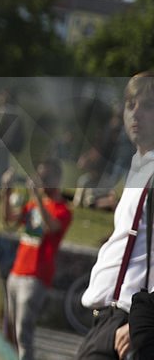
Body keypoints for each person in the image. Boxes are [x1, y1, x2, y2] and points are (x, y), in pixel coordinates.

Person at [77, 71, 154, 360]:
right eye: (130, 104)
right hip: (107, 320)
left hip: (128, 322)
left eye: (148, 105)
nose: (136, 113)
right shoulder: (139, 166)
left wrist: (143, 321)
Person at [2, 159, 72, 360]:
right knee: (9, 334)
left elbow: (52, 227)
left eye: (45, 177)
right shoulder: (33, 203)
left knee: (23, 333)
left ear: (57, 179)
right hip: (16, 273)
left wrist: (37, 197)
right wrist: (6, 191)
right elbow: (9, 220)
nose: (40, 180)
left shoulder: (63, 210)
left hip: (36, 277)